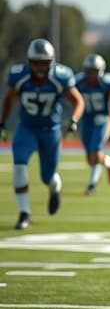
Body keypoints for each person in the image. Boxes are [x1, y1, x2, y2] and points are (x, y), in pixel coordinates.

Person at [0, 38, 84, 229]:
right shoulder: (19, 76)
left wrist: (73, 121)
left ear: (51, 62)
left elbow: (78, 101)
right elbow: (9, 99)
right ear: (29, 61)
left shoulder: (60, 77)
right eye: (36, 62)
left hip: (50, 131)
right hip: (27, 128)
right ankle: (24, 213)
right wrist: (2, 123)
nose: (39, 67)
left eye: (44, 62)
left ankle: (55, 190)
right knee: (19, 164)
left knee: (48, 177)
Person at [76, 53, 110, 195]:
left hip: (101, 120)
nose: (92, 75)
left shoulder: (107, 83)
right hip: (87, 120)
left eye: (94, 72)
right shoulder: (79, 82)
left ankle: (91, 185)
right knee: (90, 158)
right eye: (89, 71)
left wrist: (108, 116)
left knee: (96, 152)